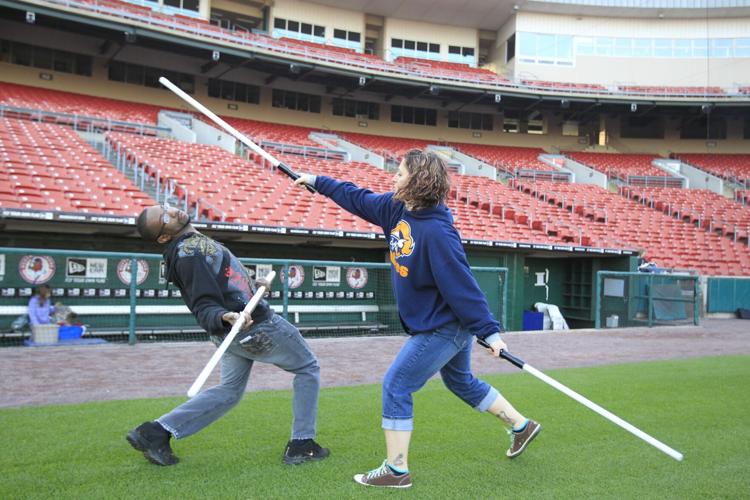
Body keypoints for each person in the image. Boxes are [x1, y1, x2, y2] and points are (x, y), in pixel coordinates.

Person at [295, 150, 541, 488]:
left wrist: (489, 333)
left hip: (444, 326)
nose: (393, 178)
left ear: (418, 181)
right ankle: (521, 426)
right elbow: (357, 198)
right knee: (460, 382)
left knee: (397, 385)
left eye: (400, 173)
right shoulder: (396, 208)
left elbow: (462, 285)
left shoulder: (438, 233)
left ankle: (396, 470)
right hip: (437, 322)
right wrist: (319, 182)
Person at [127, 204, 329, 466]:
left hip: (232, 334)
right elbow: (203, 304)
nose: (173, 212)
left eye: (166, 207)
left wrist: (253, 287)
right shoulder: (189, 253)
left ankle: (156, 432)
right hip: (255, 328)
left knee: (229, 391)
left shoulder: (192, 245)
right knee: (308, 368)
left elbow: (224, 283)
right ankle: (302, 444)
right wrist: (225, 316)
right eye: (164, 218)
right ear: (164, 237)